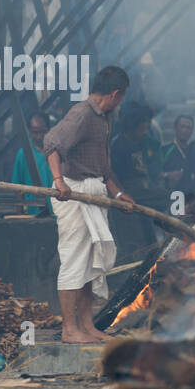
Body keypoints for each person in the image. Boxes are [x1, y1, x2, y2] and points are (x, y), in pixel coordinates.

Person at [41, 65, 135, 344]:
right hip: (74, 192)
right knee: (74, 258)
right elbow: (51, 144)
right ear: (116, 94)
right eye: (123, 97)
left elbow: (104, 169)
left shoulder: (104, 118)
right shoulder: (82, 112)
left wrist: (118, 196)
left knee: (90, 262)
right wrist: (59, 181)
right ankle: (70, 330)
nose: (121, 102)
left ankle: (87, 326)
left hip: (95, 192)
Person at [109, 104, 158, 256]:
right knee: (135, 244)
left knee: (150, 237)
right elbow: (112, 174)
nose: (145, 132)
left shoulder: (141, 142)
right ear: (132, 126)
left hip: (144, 193)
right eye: (142, 128)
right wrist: (120, 193)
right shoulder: (119, 145)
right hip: (129, 195)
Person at [11, 113, 54, 216]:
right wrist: (19, 213)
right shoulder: (24, 153)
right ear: (29, 131)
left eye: (43, 131)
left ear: (49, 129)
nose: (40, 136)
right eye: (35, 132)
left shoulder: (56, 150)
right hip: (33, 211)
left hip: (57, 209)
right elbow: (17, 186)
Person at [160, 114, 195, 199]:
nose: (185, 130)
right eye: (182, 127)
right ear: (175, 128)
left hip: (192, 197)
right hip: (171, 197)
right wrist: (168, 175)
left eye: (188, 128)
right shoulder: (164, 150)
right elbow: (154, 174)